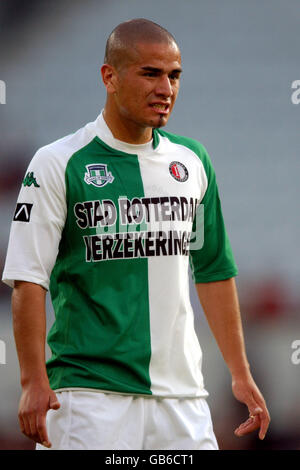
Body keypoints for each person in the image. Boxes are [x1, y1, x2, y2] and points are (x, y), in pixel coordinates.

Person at [2, 18, 270, 450]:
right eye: (150, 73)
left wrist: (240, 373)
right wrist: (33, 379)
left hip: (182, 399)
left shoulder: (193, 161)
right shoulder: (57, 162)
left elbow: (214, 270)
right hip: (88, 397)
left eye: (174, 75)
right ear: (109, 76)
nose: (166, 88)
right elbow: (28, 278)